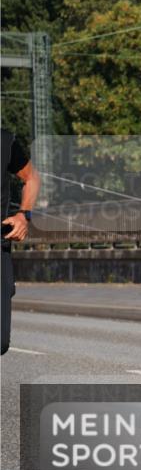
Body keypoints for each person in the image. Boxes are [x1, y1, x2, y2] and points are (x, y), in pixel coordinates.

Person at [1, 129, 40, 355]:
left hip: (0, 246)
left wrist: (23, 215)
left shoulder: (4, 142)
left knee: (1, 341)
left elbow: (32, 178)